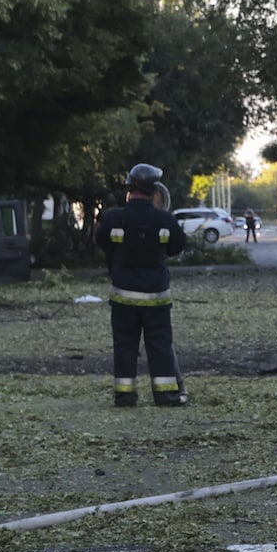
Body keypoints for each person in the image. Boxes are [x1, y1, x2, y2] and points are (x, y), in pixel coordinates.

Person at [100, 166, 187, 407]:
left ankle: (125, 395)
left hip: (122, 297)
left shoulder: (114, 218)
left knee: (124, 346)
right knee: (160, 346)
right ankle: (166, 395)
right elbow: (177, 247)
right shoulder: (165, 219)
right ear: (154, 190)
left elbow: (101, 242)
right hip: (156, 297)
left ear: (130, 187)